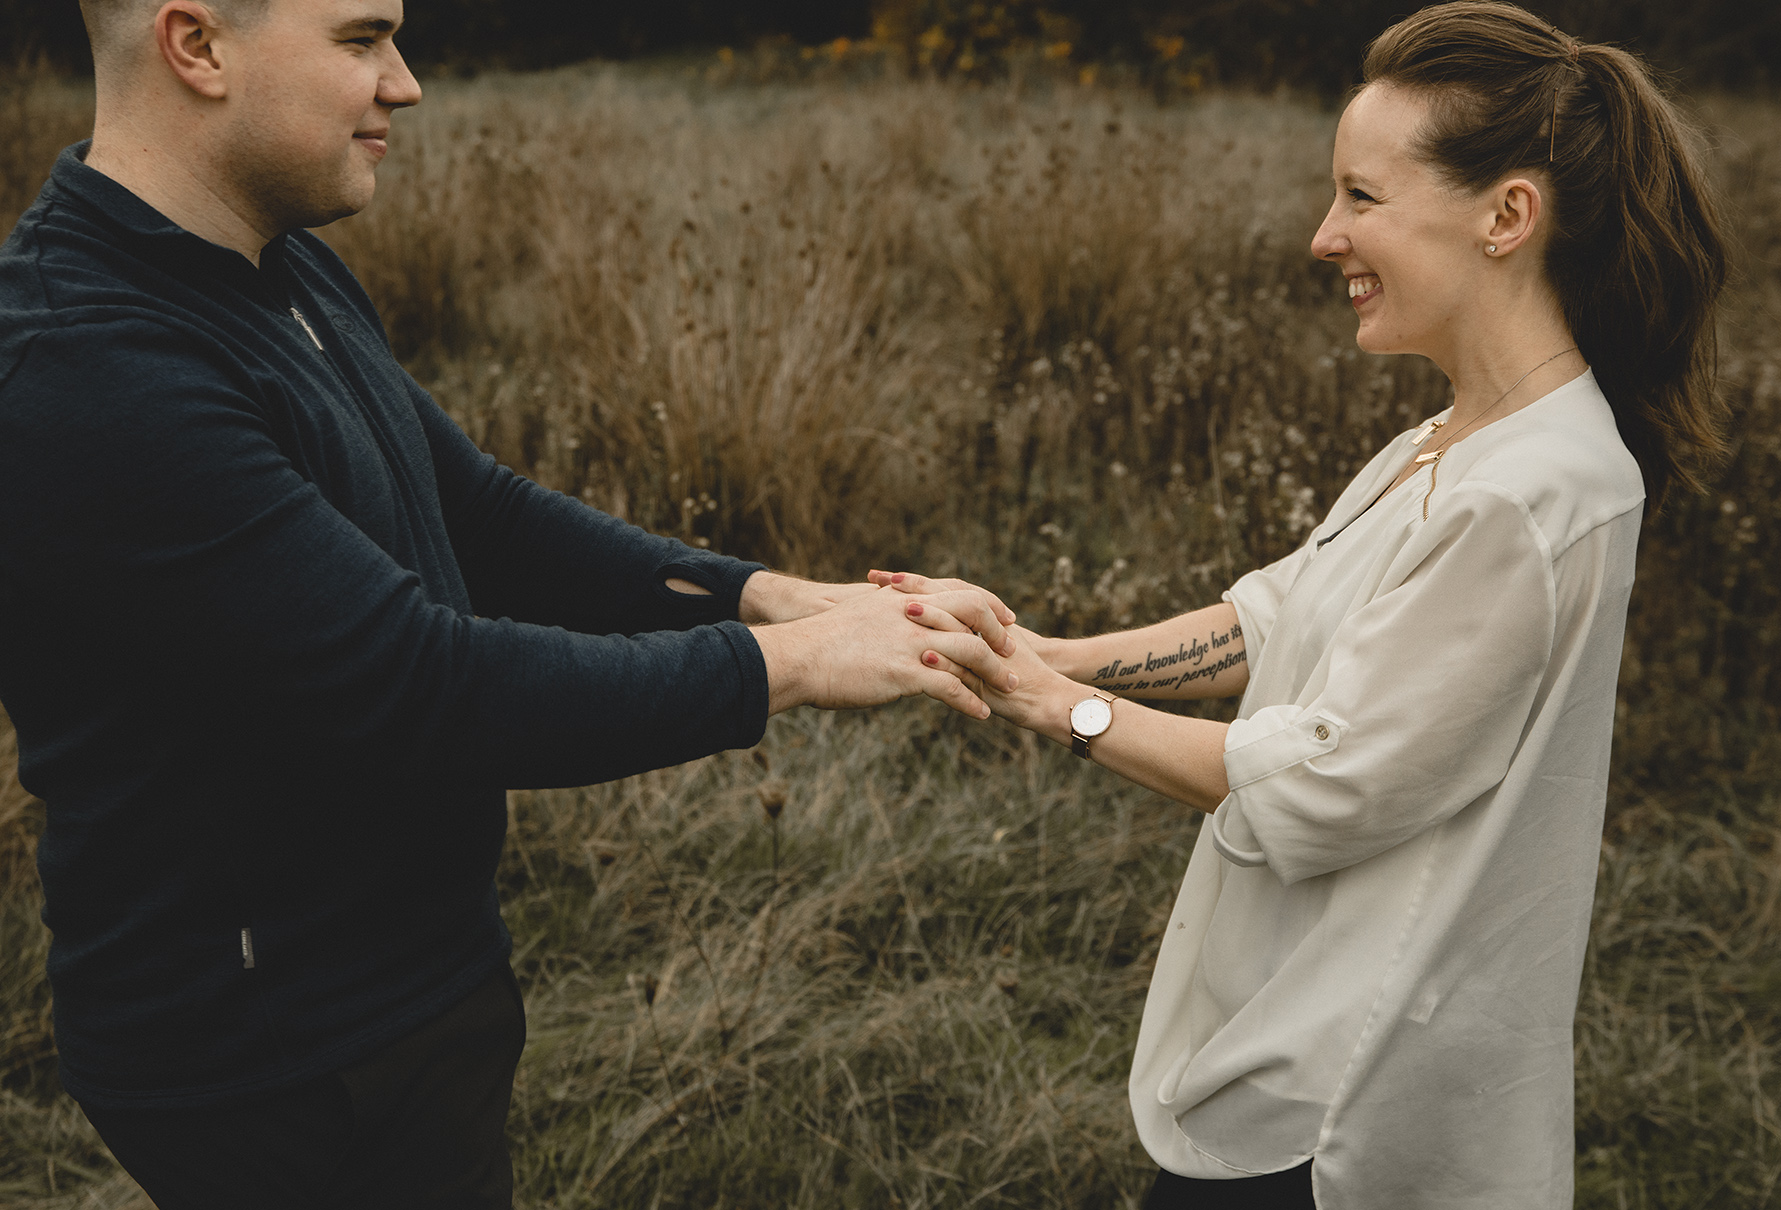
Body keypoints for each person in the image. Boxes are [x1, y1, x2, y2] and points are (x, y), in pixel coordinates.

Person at [0, 1, 1021, 1205]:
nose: (406, 83)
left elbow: (473, 511)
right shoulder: (89, 364)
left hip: (403, 983)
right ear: (197, 47)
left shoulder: (270, 261)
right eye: (359, 39)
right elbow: (417, 686)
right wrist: (787, 666)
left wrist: (768, 596)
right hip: (274, 1051)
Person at [891, 3, 1728, 1205]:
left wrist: (1052, 710)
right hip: (1288, 1042)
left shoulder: (1533, 491)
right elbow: (1273, 619)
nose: (1320, 234)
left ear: (1506, 216)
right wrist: (1032, 648)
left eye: (1360, 198)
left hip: (1347, 1099)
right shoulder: (1440, 444)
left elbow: (1326, 787)